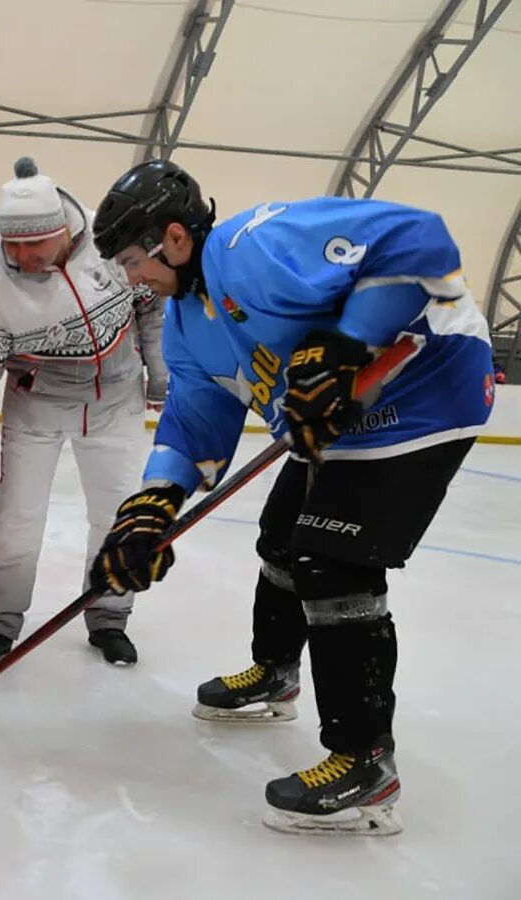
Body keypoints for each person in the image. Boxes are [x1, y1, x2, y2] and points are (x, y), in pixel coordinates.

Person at [90, 160, 494, 836]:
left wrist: (343, 343)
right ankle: (276, 674)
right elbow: (193, 419)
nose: (133, 278)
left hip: (427, 391)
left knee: (333, 562)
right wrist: (151, 505)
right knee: (283, 535)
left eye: (134, 260)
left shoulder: (257, 247)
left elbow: (418, 239)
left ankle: (365, 762)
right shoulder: (188, 321)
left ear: (175, 238)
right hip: (340, 422)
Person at [0, 158, 165, 671]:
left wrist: (159, 372)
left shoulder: (114, 242)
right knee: (16, 518)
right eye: (10, 244)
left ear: (62, 230)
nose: (19, 256)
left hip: (116, 404)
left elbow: (151, 305)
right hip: (37, 406)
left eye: (32, 244)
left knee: (117, 514)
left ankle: (109, 615)